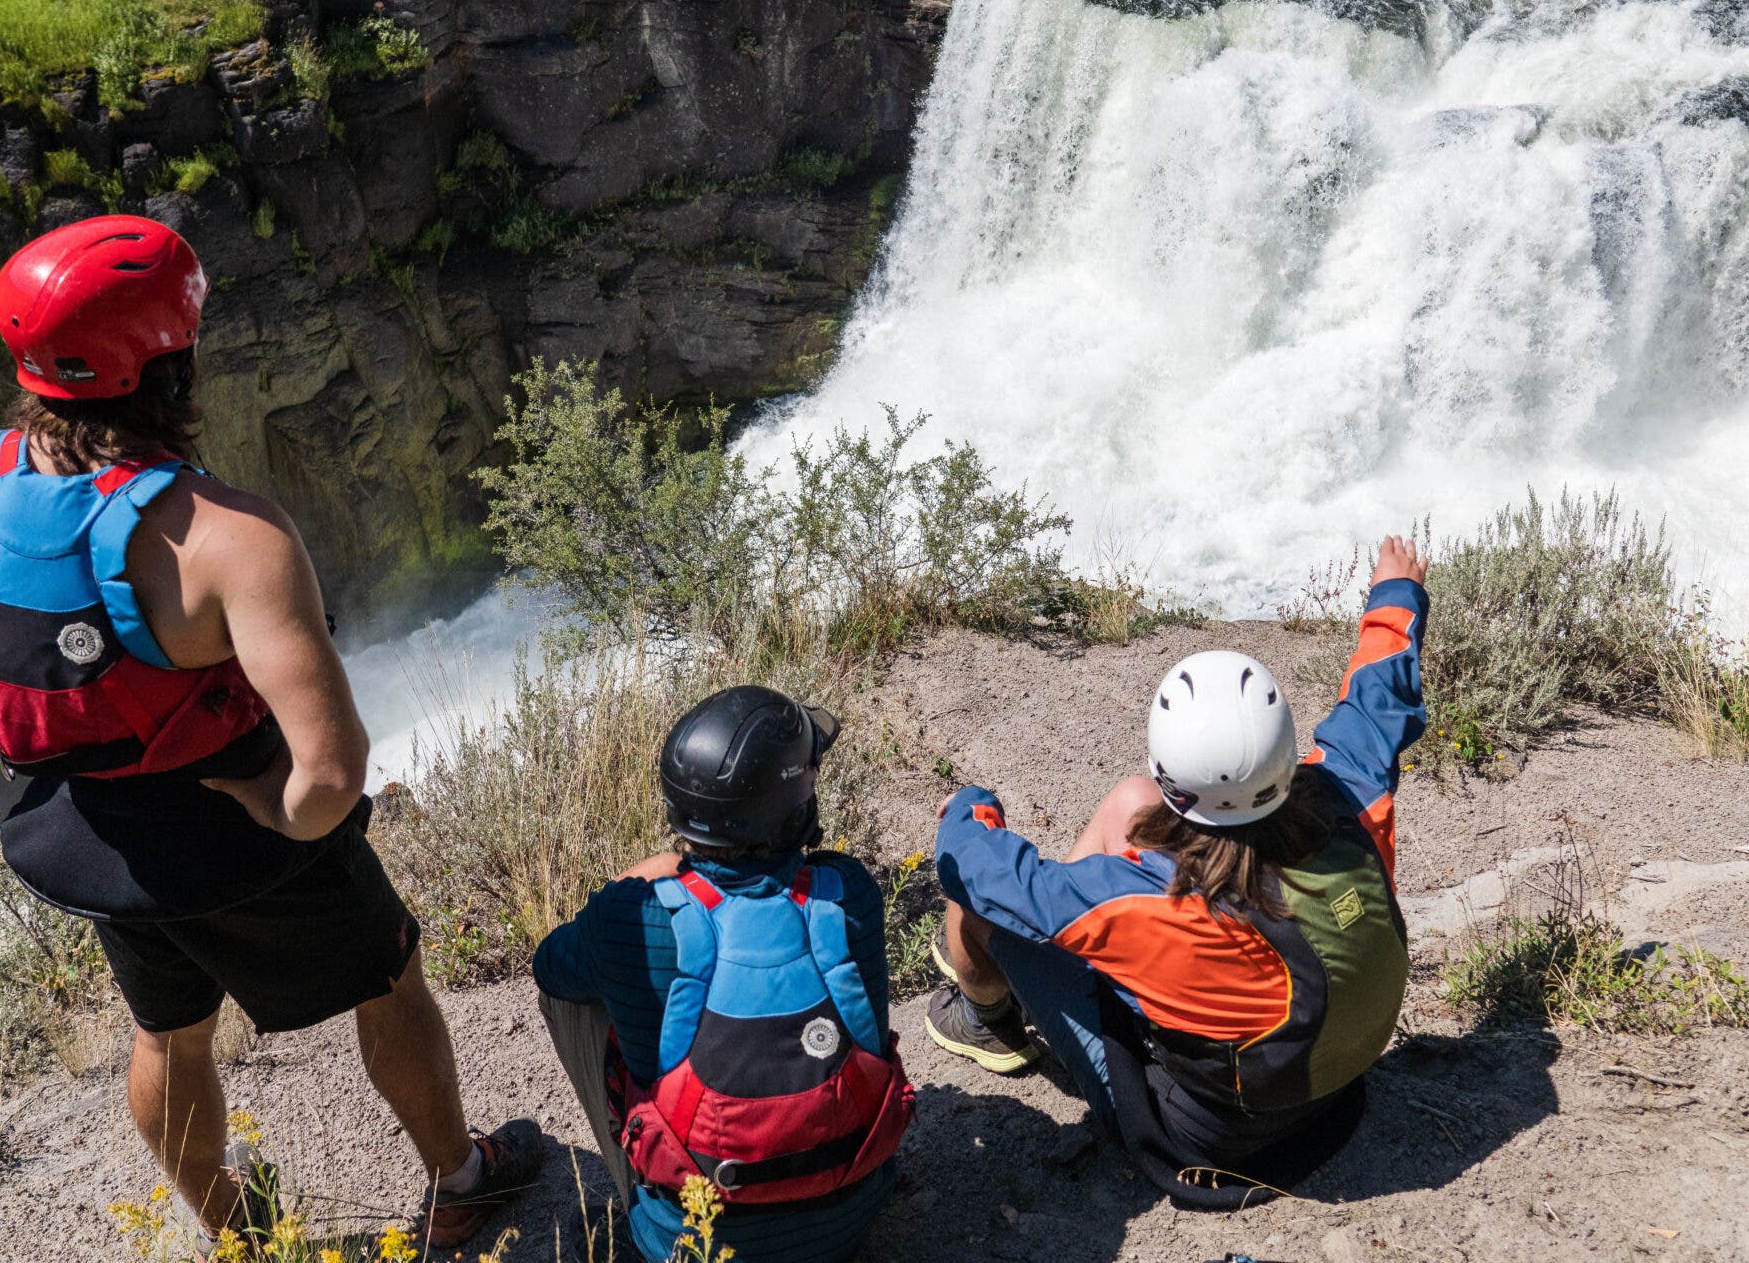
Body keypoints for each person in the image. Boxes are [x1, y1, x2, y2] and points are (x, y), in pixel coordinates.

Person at [0, 215, 541, 1252]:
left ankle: (236, 1233)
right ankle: (461, 1179)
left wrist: (4, 744)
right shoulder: (228, 538)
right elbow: (330, 778)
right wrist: (280, 812)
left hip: (92, 835)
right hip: (240, 834)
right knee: (389, 981)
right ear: (171, 360)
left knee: (170, 1032)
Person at [922, 535, 1427, 1206]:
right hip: (1330, 1097)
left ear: (1177, 777)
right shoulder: (1352, 794)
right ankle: (1072, 978)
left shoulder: (1158, 908)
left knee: (983, 912)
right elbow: (1376, 699)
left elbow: (987, 877)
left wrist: (969, 808)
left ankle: (988, 1022)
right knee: (1129, 805)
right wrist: (1396, 594)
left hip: (1213, 1142)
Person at [532, 686, 913, 1263]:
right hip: (850, 1221)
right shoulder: (850, 893)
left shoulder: (633, 921)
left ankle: (634, 1186)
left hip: (696, 1242)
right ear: (798, 804)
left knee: (578, 993)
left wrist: (646, 887)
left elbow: (549, 966)